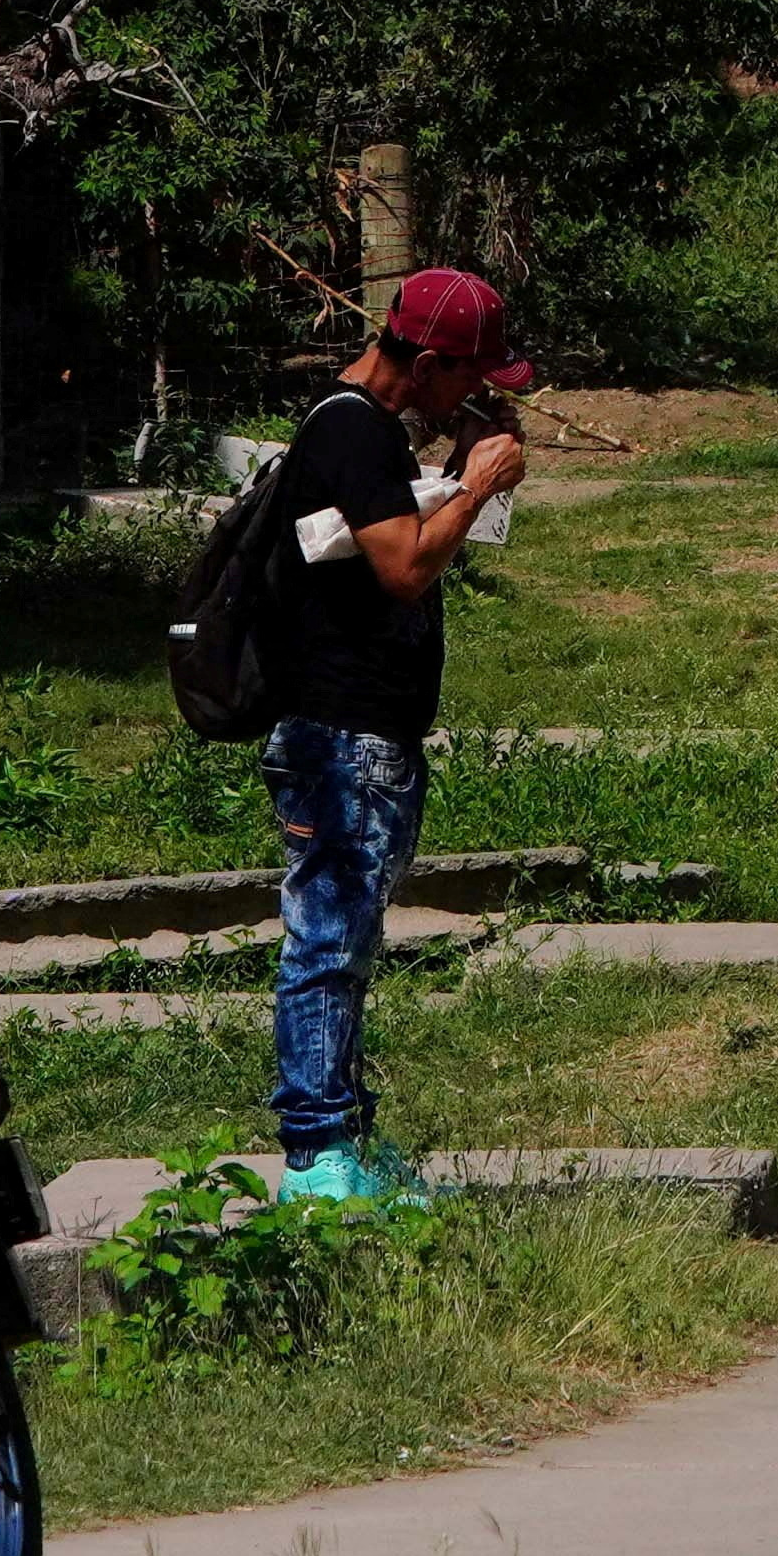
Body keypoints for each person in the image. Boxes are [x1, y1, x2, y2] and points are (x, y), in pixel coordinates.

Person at [252, 269, 538, 1202]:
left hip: (364, 735)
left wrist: (457, 466)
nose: (476, 393)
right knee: (326, 940)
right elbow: (405, 567)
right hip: (340, 740)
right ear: (421, 361)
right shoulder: (352, 429)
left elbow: (385, 539)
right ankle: (316, 1154)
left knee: (349, 937)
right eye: (467, 377)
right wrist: (482, 481)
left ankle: (340, 1133)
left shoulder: (367, 432)